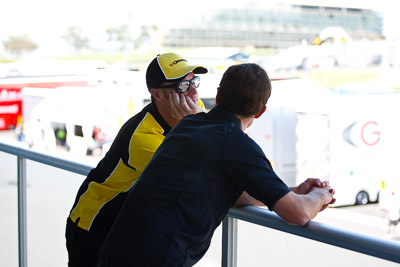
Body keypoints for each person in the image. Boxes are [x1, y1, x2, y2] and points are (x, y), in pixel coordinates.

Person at [97, 63, 336, 267]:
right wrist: (321, 195)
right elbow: (298, 213)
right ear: (261, 111)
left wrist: (289, 192)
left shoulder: (187, 126)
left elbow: (226, 191)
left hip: (115, 251)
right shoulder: (237, 145)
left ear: (218, 96)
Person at [65, 53, 209, 267]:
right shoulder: (143, 138)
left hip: (129, 230)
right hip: (94, 227)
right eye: (182, 86)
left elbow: (224, 153)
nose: (193, 91)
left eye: (194, 81)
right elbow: (208, 177)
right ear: (157, 95)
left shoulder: (191, 107)